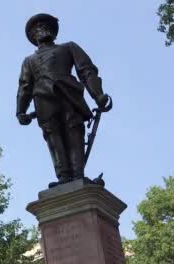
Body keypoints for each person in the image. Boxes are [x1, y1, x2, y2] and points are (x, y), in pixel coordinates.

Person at [16, 13, 111, 187]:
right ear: (33, 37)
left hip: (69, 96)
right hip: (44, 103)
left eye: (46, 26)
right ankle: (64, 177)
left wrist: (98, 95)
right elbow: (24, 86)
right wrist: (20, 111)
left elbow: (86, 71)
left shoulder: (68, 47)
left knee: (74, 132)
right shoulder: (28, 61)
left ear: (53, 31)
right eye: (37, 28)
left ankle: (77, 175)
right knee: (54, 138)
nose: (42, 29)